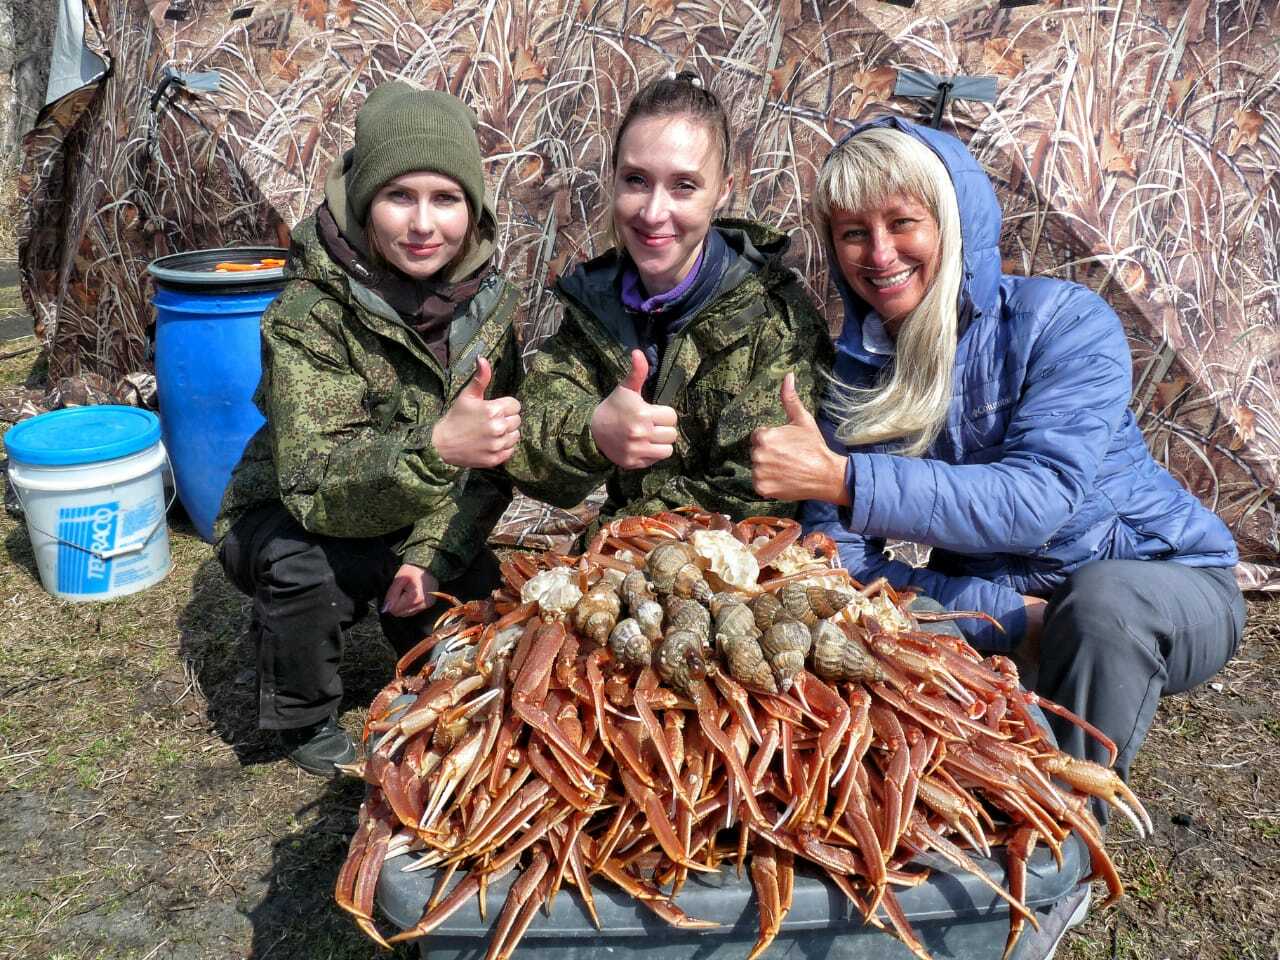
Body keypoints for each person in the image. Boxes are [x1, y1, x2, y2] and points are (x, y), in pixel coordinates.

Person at [750, 117, 1244, 786]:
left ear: (952, 222)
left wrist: (846, 478)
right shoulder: (854, 378)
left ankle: (1066, 849)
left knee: (1101, 608)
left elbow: (1036, 501)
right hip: (1007, 602)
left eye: (902, 222)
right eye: (853, 234)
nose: (880, 253)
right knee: (856, 625)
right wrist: (1002, 615)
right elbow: (843, 571)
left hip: (1164, 586)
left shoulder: (1063, 322)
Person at [213, 82, 523, 775]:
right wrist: (439, 446)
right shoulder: (308, 314)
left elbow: (493, 468)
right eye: (398, 197)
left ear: (474, 211)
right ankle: (300, 714)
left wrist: (427, 555)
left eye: (445, 199)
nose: (422, 224)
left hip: (411, 513)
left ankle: (406, 616)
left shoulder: (492, 315)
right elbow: (315, 484)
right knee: (305, 574)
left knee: (481, 604)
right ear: (362, 203)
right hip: (289, 514)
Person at [509, 71, 831, 525]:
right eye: (636, 180)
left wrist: (609, 540)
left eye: (684, 186)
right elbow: (529, 449)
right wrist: (596, 433)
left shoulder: (776, 322)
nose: (654, 213)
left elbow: (756, 493)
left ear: (723, 191)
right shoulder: (595, 303)